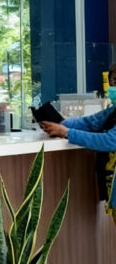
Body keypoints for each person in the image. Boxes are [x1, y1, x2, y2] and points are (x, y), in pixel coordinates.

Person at [41, 64, 116, 223]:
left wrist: (67, 133)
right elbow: (91, 122)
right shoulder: (113, 110)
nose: (113, 87)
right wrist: (59, 123)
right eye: (112, 82)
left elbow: (110, 141)